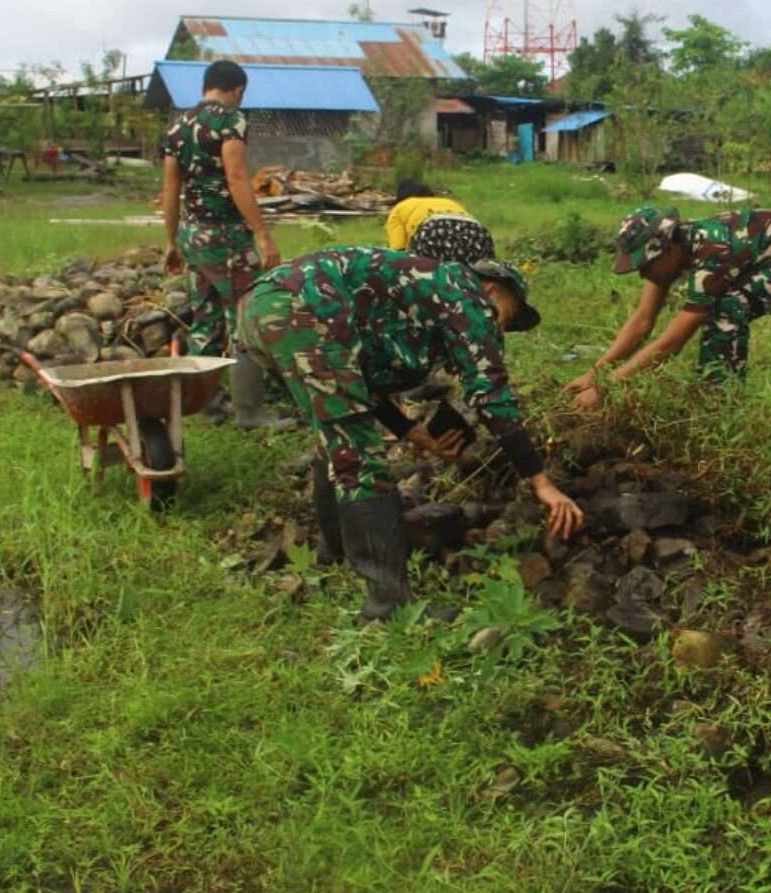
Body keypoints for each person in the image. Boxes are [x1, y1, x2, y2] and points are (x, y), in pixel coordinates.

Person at [238, 250, 583, 624]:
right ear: (493, 288)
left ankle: (334, 548)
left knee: (337, 432)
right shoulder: (467, 294)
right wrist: (540, 481)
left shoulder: (423, 292)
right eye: (507, 315)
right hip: (301, 308)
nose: (498, 329)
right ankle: (388, 605)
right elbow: (491, 394)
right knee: (359, 450)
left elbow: (361, 386)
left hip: (262, 307)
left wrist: (413, 433)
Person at [564, 206, 771, 409]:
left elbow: (673, 341)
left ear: (669, 248)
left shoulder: (712, 251)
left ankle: (718, 404)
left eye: (646, 265)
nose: (644, 274)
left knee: (729, 304)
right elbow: (642, 321)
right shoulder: (674, 254)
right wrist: (595, 372)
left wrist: (607, 387)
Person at [160, 59, 283, 428]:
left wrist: (170, 241)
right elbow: (237, 176)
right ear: (238, 90)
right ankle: (250, 412)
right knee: (245, 318)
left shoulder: (177, 128)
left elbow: (170, 187)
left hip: (193, 235)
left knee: (206, 319)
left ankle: (209, 406)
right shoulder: (230, 121)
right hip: (226, 236)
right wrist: (261, 232)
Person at [386, 178, 496, 264]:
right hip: (477, 233)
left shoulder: (400, 207)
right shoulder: (448, 201)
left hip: (434, 231)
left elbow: (397, 253)